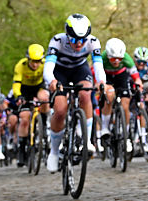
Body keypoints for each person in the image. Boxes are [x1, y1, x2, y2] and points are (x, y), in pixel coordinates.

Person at [42, 14, 105, 173]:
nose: (79, 43)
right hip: (60, 72)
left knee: (85, 94)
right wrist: (52, 81)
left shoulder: (93, 41)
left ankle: (85, 139)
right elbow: (48, 67)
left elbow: (98, 66)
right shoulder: (57, 40)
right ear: (67, 35)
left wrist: (101, 82)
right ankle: (54, 152)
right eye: (74, 39)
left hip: (79, 70)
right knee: (61, 110)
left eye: (82, 39)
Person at [99, 37, 141, 152]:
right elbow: (96, 72)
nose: (117, 61)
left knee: (125, 104)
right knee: (109, 95)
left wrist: (138, 81)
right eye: (113, 59)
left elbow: (135, 75)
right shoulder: (102, 58)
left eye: (119, 59)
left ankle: (125, 135)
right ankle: (105, 128)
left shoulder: (127, 59)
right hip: (106, 77)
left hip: (121, 77)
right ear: (108, 56)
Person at [11, 43, 49, 167]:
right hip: (25, 90)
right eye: (33, 61)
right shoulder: (20, 66)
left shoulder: (45, 64)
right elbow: (16, 84)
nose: (35, 64)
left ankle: (43, 123)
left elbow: (50, 78)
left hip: (39, 87)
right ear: (28, 59)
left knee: (44, 98)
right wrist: (18, 95)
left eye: (38, 61)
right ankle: (22, 151)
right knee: (24, 118)